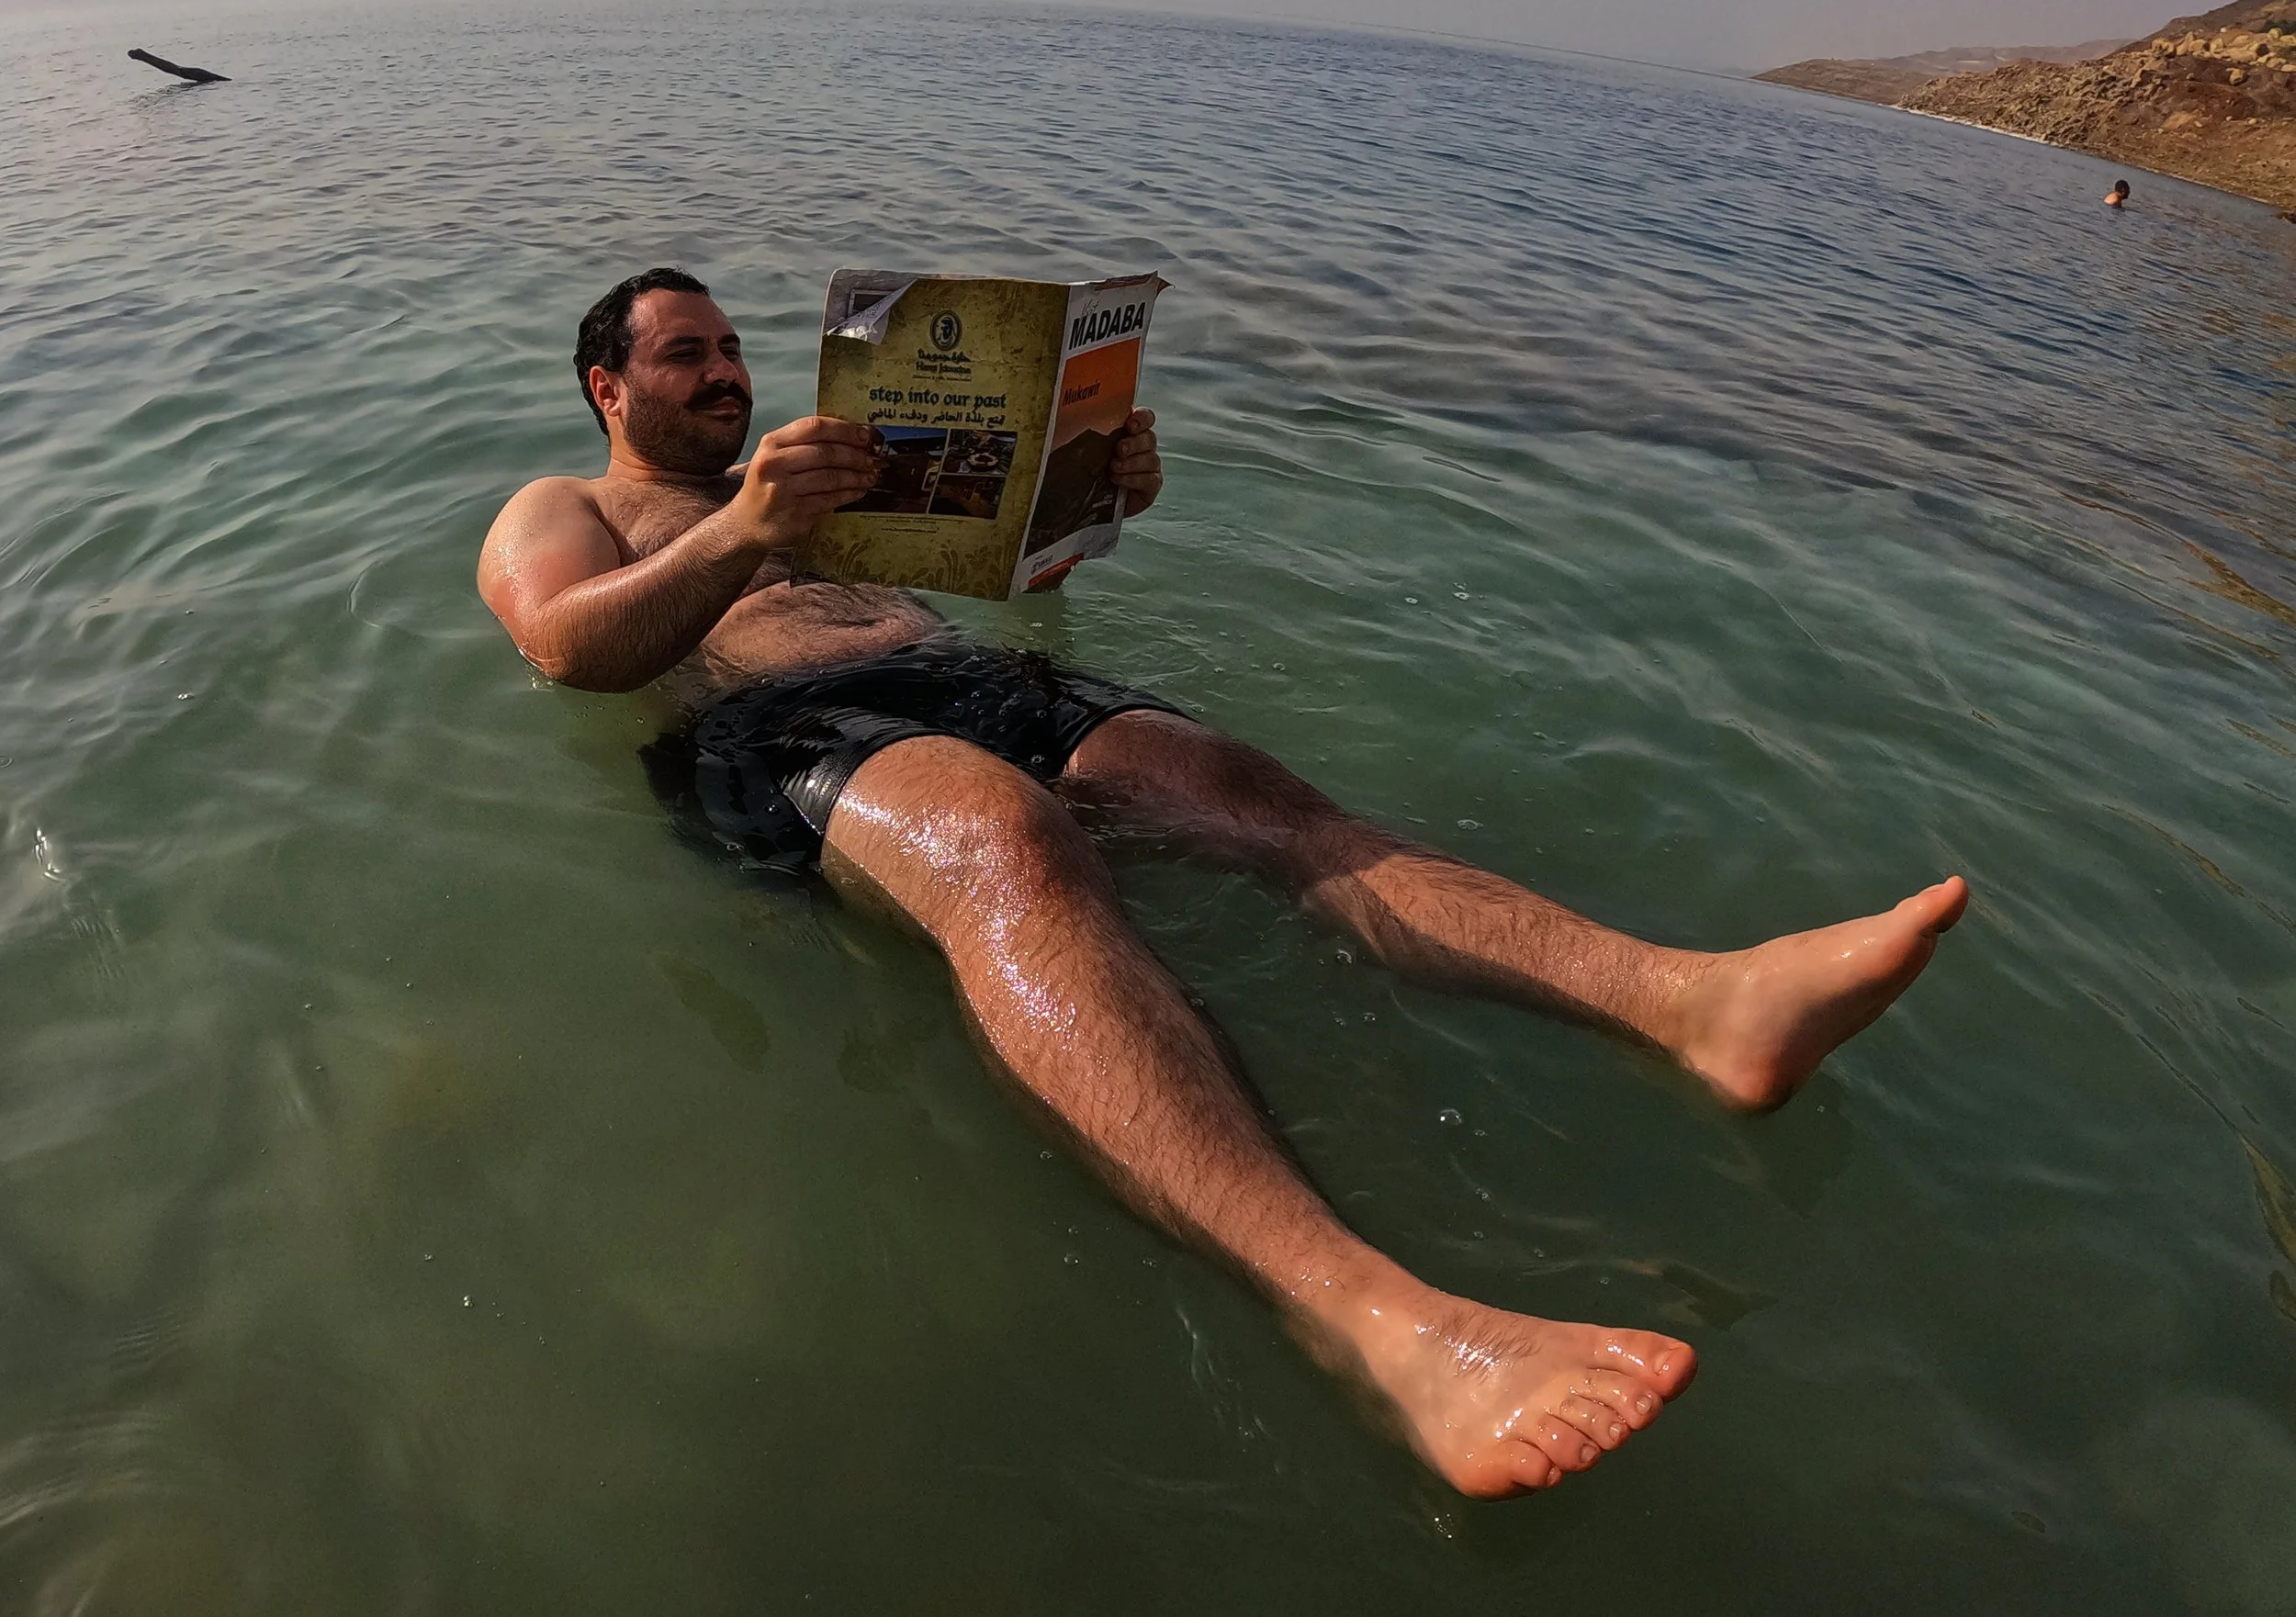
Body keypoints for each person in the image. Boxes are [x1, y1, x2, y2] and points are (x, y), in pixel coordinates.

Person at [478, 267, 1970, 1499]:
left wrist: (1088, 494)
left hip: (961, 670)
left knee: (1249, 792)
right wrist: (746, 531)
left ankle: (1694, 1002)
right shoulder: (572, 508)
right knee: (1005, 838)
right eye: (688, 354)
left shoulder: (819, 480)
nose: (726, 370)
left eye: (735, 345)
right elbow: (565, 648)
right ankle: (1384, 1328)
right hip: (773, 730)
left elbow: (1013, 570)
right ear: (610, 387)